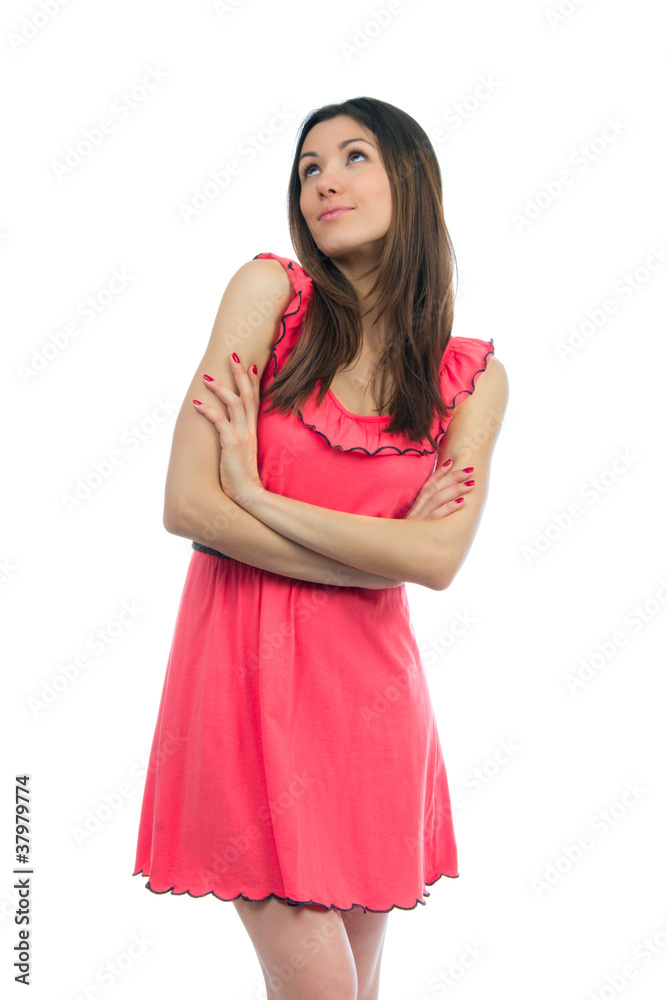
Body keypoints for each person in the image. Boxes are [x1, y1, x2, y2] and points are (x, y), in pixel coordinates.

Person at [133, 96, 509, 1000]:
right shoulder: (268, 298)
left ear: (410, 181)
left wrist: (255, 495)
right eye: (308, 168)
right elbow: (187, 504)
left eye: (352, 158)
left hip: (370, 715)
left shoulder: (471, 378)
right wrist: (378, 552)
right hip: (240, 693)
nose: (323, 182)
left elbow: (439, 559)